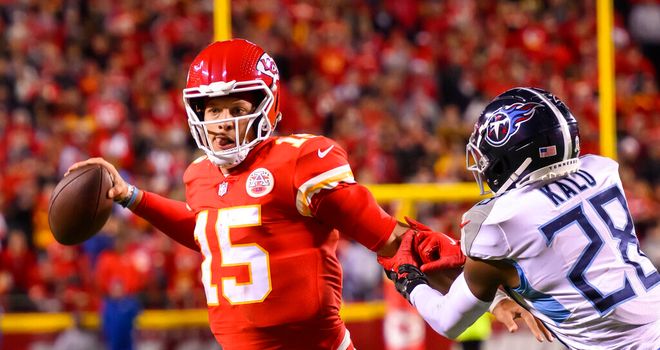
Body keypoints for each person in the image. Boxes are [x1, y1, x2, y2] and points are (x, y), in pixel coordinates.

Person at [68, 40, 545, 349]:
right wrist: (131, 195)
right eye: (212, 111)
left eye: (236, 107)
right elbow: (207, 234)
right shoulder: (199, 176)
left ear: (268, 105)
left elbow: (387, 237)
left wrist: (480, 290)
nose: (222, 123)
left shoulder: (299, 161)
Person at [378, 87, 660, 349]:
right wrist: (498, 297)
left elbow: (447, 321)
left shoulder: (499, 224)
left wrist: (409, 281)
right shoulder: (602, 172)